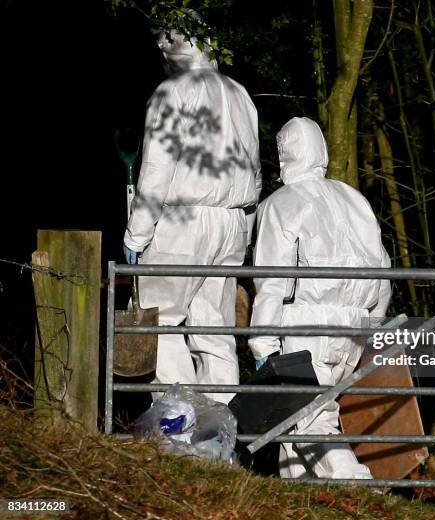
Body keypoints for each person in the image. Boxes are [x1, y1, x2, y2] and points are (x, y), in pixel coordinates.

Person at [123, 16, 261, 404]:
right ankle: (221, 430)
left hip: (183, 220)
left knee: (159, 320)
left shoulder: (173, 92)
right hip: (232, 221)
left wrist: (137, 232)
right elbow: (255, 168)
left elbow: (156, 170)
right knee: (215, 330)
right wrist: (244, 234)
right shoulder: (239, 94)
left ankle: (180, 424)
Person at [248, 117, 391, 479]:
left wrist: (262, 345)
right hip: (354, 326)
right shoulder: (354, 199)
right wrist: (371, 324)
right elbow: (384, 271)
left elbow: (271, 282)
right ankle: (302, 502)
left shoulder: (281, 204)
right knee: (298, 420)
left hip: (305, 325)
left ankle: (354, 483)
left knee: (311, 419)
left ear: (284, 155)